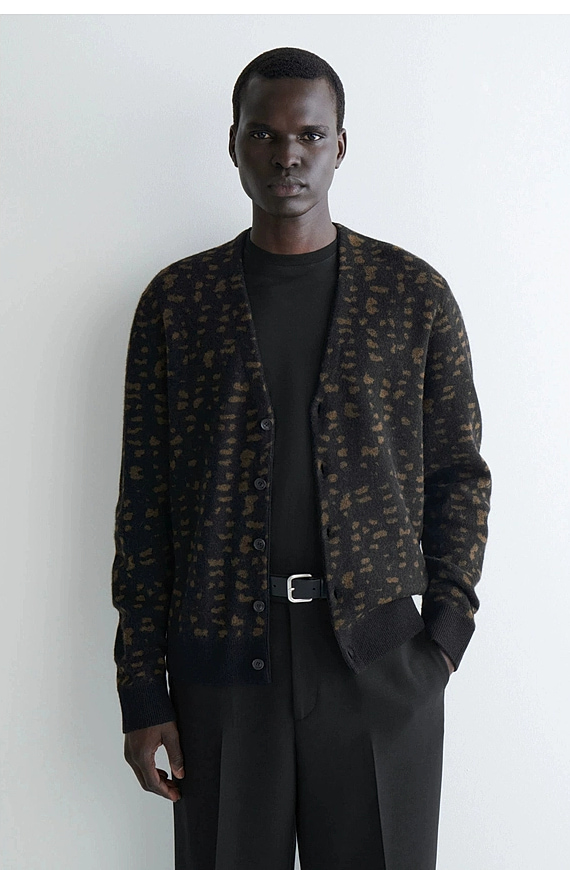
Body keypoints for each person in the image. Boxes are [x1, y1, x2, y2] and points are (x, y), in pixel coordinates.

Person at [112, 47, 492, 870]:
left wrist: (444, 636)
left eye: (309, 134)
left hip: (378, 662)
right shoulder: (179, 302)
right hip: (220, 671)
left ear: (340, 145)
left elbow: (459, 473)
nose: (287, 154)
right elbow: (143, 506)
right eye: (265, 133)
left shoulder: (411, 295)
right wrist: (142, 687)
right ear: (235, 143)